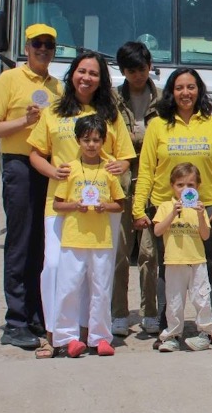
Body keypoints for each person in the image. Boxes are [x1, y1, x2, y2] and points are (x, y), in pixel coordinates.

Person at [28, 50, 135, 359]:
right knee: (55, 267)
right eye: (82, 71)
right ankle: (55, 333)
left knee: (96, 272)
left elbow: (126, 156)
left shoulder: (111, 114)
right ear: (72, 73)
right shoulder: (55, 111)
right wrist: (53, 171)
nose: (86, 77)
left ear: (101, 80)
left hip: (102, 205)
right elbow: (35, 153)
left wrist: (120, 168)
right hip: (61, 202)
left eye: (94, 73)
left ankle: (89, 334)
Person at [132, 68, 212, 343]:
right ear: (171, 92)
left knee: (204, 267)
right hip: (165, 207)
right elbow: (147, 169)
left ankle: (206, 328)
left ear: (199, 90)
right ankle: (168, 330)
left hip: (205, 206)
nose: (185, 93)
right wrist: (139, 209)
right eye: (179, 88)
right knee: (168, 267)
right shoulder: (158, 125)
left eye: (191, 87)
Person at [0, 23, 63, 350]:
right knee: (20, 244)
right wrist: (24, 122)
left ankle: (37, 315)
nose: (43, 49)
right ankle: (15, 321)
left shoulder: (58, 86)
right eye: (37, 44)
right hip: (19, 165)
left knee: (45, 246)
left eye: (49, 45)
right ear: (27, 48)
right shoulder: (9, 79)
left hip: (48, 166)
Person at [52, 115, 125, 357]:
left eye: (96, 140)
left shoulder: (109, 169)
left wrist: (105, 206)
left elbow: (120, 204)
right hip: (73, 239)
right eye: (86, 140)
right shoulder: (70, 169)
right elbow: (57, 205)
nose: (91, 145)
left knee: (101, 289)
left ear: (103, 141)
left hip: (101, 239)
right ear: (78, 141)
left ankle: (100, 337)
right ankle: (67, 337)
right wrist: (75, 205)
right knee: (69, 288)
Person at [111, 41, 162, 338]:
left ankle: (150, 311)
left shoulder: (163, 99)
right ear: (123, 71)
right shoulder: (113, 100)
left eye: (142, 69)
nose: (138, 75)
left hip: (152, 180)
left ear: (150, 65)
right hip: (121, 181)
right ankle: (118, 312)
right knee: (119, 250)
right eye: (131, 71)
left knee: (149, 252)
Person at [153, 163, 212, 352]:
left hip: (196, 261)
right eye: (180, 185)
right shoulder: (166, 206)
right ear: (172, 186)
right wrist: (173, 213)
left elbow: (205, 235)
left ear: (198, 186)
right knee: (174, 301)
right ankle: (172, 336)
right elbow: (157, 230)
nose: (185, 189)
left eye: (190, 185)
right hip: (174, 262)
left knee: (202, 299)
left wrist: (200, 215)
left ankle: (204, 334)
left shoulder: (200, 208)